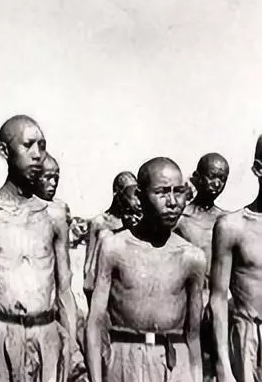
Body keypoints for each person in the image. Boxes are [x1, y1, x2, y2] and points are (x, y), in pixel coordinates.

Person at [0, 115, 84, 382]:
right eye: (28, 145)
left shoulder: (53, 215)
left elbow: (64, 290)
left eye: (42, 146)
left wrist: (71, 349)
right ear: (4, 151)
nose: (37, 154)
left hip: (45, 336)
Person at [86, 157, 206, 382]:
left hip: (175, 363)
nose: (172, 202)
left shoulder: (192, 257)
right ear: (140, 197)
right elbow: (94, 323)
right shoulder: (114, 247)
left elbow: (193, 335)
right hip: (124, 359)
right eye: (162, 192)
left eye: (178, 192)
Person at [210, 137, 262, 382]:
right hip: (248, 339)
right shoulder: (233, 226)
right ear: (259, 169)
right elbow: (218, 298)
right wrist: (223, 366)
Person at [176, 153, 229, 382]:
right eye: (212, 176)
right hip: (188, 305)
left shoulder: (227, 220)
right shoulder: (180, 219)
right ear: (198, 177)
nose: (217, 183)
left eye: (222, 178)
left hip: (219, 306)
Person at [34, 153, 88, 353]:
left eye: (56, 178)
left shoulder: (59, 209)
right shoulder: (24, 207)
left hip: (58, 284)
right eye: (47, 177)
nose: (53, 183)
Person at [83, 171, 142, 306]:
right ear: (118, 194)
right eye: (132, 194)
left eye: (138, 195)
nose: (137, 201)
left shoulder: (136, 223)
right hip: (103, 289)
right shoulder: (100, 223)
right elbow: (89, 267)